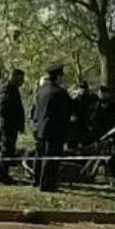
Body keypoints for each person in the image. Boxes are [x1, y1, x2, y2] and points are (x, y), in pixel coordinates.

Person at [35, 64, 72, 192]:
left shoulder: (42, 90)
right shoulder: (60, 92)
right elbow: (67, 111)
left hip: (42, 129)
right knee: (52, 159)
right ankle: (47, 185)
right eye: (61, 76)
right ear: (57, 77)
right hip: (55, 130)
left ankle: (38, 181)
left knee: (42, 156)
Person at [0, 69, 26, 185]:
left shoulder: (13, 89)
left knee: (9, 149)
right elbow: (4, 108)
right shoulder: (6, 89)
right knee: (6, 149)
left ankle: (4, 174)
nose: (23, 81)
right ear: (14, 77)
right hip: (8, 125)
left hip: (12, 125)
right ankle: (3, 175)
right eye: (21, 79)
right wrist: (10, 122)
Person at [72, 81, 98, 147]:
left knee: (89, 145)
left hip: (89, 125)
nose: (83, 89)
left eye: (85, 88)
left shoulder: (92, 98)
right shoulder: (76, 100)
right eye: (81, 88)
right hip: (79, 125)